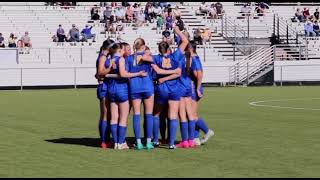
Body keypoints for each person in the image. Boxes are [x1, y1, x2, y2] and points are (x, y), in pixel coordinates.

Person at [151, 26, 189, 149]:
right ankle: (171, 143)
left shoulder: (156, 58)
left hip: (161, 88)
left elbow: (143, 57)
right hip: (175, 89)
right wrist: (177, 31)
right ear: (169, 49)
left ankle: (156, 140)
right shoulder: (175, 56)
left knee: (156, 114)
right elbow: (185, 41)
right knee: (173, 115)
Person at [108, 43, 147, 150]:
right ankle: (121, 142)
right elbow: (123, 74)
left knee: (114, 116)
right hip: (122, 88)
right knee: (123, 117)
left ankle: (116, 142)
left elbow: (105, 73)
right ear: (120, 50)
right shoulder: (120, 59)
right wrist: (138, 74)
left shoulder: (110, 59)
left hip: (111, 88)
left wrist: (108, 75)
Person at [126, 38, 156, 150]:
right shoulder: (147, 57)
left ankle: (138, 142)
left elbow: (127, 74)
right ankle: (148, 142)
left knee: (136, 115)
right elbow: (154, 61)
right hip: (147, 87)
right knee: (149, 115)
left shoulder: (129, 59)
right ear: (143, 46)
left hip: (135, 88)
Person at [188, 40, 214, 145]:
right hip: (194, 89)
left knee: (192, 115)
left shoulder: (194, 59)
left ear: (190, 48)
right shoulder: (194, 58)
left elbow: (200, 74)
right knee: (193, 114)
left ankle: (207, 131)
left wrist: (197, 88)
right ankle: (196, 138)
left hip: (194, 89)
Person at [95, 39, 115, 149]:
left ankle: (106, 139)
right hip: (104, 87)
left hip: (107, 85)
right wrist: (110, 68)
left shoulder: (105, 56)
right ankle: (103, 140)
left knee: (108, 114)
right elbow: (100, 72)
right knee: (105, 114)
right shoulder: (103, 57)